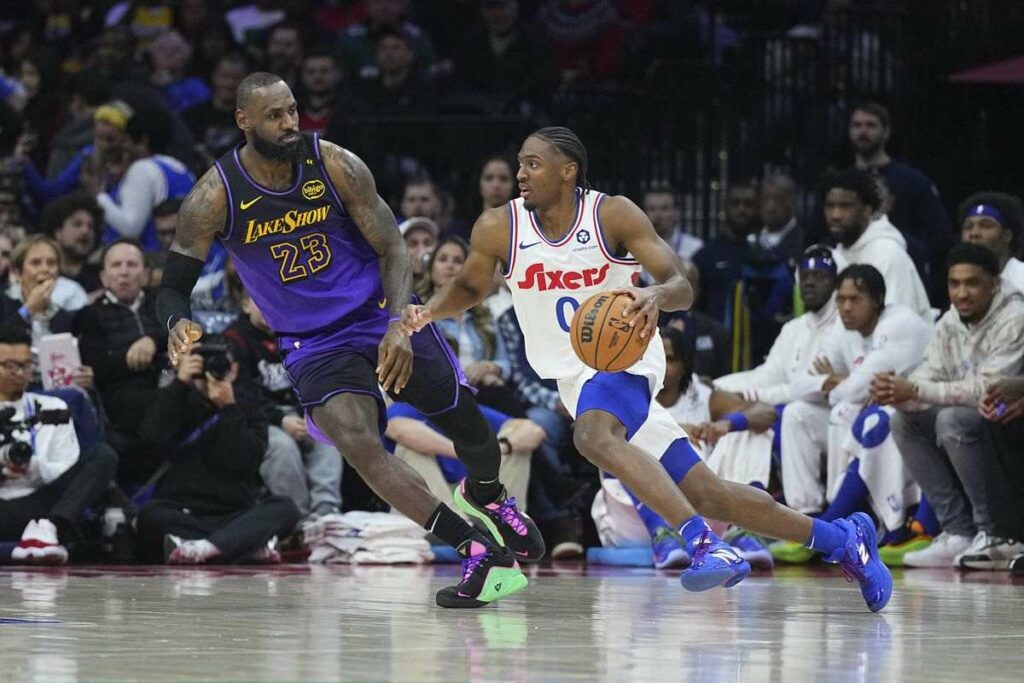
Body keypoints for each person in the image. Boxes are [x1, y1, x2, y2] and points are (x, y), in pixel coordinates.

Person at [404, 126, 893, 611]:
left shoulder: (611, 213)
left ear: (568, 171)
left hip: (626, 355)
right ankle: (843, 540)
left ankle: (704, 545)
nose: (520, 174)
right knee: (709, 494)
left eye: (533, 163)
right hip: (574, 378)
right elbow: (469, 289)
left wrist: (655, 296)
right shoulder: (499, 226)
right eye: (521, 164)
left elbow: (680, 283)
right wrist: (424, 312)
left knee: (591, 438)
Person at [156, 72, 540, 608]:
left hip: (379, 314)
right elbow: (173, 287)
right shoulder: (213, 196)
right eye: (275, 116)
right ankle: (477, 550)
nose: (290, 123)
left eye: (292, 111)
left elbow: (393, 247)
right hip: (313, 344)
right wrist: (177, 323)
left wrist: (397, 326)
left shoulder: (334, 163)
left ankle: (489, 498)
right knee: (360, 445)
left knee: (470, 431)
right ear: (243, 120)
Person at [881, 243, 1024, 567]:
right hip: (978, 417)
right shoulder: (949, 322)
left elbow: (987, 391)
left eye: (972, 283)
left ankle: (993, 532)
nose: (961, 293)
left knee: (952, 420)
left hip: (1004, 419)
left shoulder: (1014, 317)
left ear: (995, 284)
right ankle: (957, 530)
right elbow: (931, 371)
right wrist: (897, 390)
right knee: (902, 420)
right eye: (954, 284)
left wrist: (915, 388)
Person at [0, 323, 118, 565]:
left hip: (40, 507)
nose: (18, 372)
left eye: (24, 365)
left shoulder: (55, 408)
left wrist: (33, 467)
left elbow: (66, 465)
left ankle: (48, 531)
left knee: (102, 456)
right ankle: (20, 551)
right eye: (8, 365)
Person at [824, 168, 932, 320]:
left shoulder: (888, 254)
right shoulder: (835, 254)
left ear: (867, 210)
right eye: (830, 206)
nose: (835, 215)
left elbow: (896, 325)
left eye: (845, 206)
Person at [957, 191, 1024, 292]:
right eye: (968, 227)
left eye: (986, 226)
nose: (974, 233)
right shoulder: (959, 285)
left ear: (1007, 235)